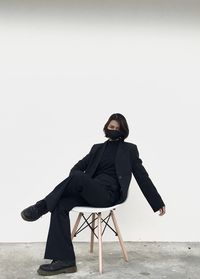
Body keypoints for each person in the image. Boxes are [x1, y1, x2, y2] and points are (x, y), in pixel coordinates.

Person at [21, 113, 166, 276]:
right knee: (60, 205)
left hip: (108, 195)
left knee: (77, 178)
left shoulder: (129, 150)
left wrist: (157, 202)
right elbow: (76, 168)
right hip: (90, 191)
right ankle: (65, 261)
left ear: (124, 131)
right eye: (111, 127)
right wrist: (82, 183)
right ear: (106, 127)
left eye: (118, 129)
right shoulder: (97, 148)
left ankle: (41, 207)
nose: (114, 130)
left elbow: (142, 176)